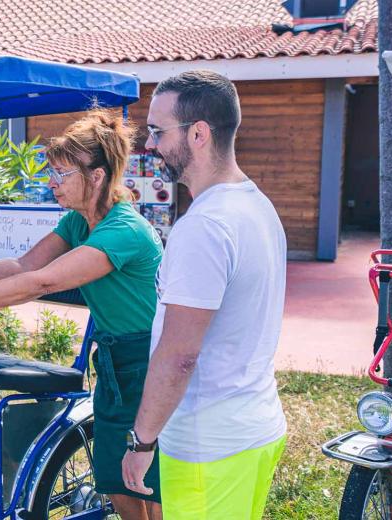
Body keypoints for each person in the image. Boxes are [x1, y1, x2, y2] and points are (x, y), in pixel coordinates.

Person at [0, 109, 164, 520]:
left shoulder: (124, 230)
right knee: (113, 475)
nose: (51, 183)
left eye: (62, 174)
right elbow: (24, 267)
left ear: (97, 176)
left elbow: (42, 283)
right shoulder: (78, 222)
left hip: (149, 362)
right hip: (115, 362)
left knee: (152, 485)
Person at [121, 70, 287, 519]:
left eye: (157, 131)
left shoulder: (204, 226)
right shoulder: (257, 205)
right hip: (253, 427)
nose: (150, 145)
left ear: (198, 133)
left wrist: (142, 441)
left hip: (206, 446)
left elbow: (179, 355)